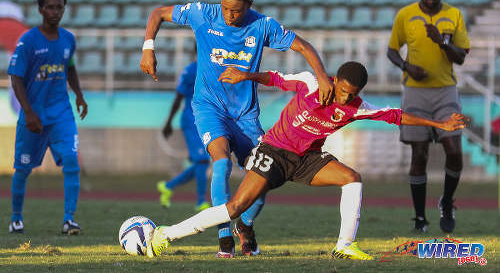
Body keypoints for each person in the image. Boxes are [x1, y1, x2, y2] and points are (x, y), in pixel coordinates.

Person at [145, 61, 467, 260]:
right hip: (274, 151)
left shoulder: (356, 106)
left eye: (350, 94)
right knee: (235, 208)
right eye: (342, 90)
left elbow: (397, 115)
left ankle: (344, 245)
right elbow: (274, 78)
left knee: (352, 178)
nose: (343, 98)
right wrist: (245, 75)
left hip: (307, 160)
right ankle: (165, 235)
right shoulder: (312, 82)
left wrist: (440, 125)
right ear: (335, 79)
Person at [140, 0, 334, 257]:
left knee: (264, 173)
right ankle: (223, 237)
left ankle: (245, 224)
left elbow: (303, 45)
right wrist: (148, 48)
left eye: (237, 10)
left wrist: (322, 78)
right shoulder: (203, 14)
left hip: (245, 115)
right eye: (226, 8)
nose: (230, 15)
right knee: (221, 163)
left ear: (249, 5)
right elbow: (158, 13)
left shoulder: (262, 25)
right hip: (209, 107)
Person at [387, 0, 470, 233]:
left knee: (454, 149)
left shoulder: (454, 15)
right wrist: (406, 66)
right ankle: (420, 218)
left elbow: (461, 57)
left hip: (445, 91)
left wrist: (443, 42)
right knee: (419, 153)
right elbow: (391, 50)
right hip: (415, 92)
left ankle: (446, 201)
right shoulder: (405, 15)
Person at [7, 0, 88, 235]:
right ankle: (16, 218)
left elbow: (70, 67)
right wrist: (28, 112)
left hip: (62, 113)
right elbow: (16, 77)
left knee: (72, 163)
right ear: (40, 9)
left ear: (64, 9)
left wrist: (79, 94)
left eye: (59, 7)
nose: (55, 12)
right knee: (22, 169)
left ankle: (69, 220)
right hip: (34, 116)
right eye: (50, 7)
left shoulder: (68, 39)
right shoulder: (28, 41)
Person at [157, 61, 211, 212]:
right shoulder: (190, 70)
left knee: (201, 163)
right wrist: (168, 122)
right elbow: (178, 97)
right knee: (202, 160)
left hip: (208, 120)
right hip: (191, 120)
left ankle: (168, 187)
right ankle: (201, 202)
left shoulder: (214, 66)